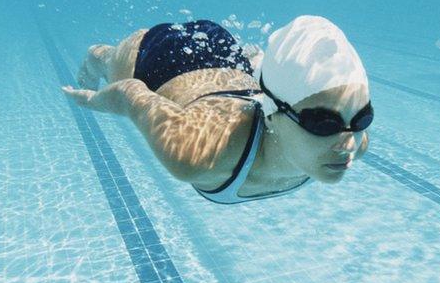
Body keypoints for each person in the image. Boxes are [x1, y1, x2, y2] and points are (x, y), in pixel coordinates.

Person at [62, 15, 372, 204]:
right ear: (273, 112)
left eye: (362, 119)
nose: (349, 142)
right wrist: (92, 101)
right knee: (110, 61)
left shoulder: (355, 141)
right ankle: (99, 55)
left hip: (227, 57)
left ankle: (256, 65)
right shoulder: (198, 153)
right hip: (163, 62)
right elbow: (131, 93)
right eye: (323, 124)